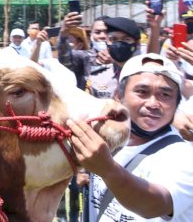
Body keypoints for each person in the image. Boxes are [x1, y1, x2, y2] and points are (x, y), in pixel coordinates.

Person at [68, 53, 193, 221]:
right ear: (119, 96)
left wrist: (107, 169)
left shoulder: (183, 156)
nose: (153, 104)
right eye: (142, 92)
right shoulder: (107, 140)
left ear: (176, 104)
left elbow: (155, 205)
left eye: (165, 95)